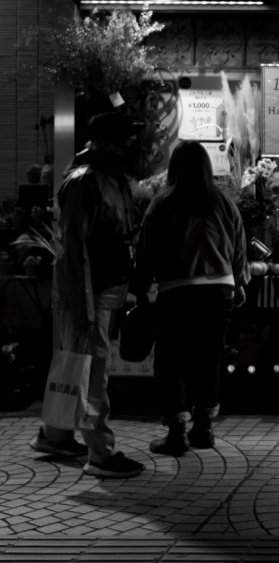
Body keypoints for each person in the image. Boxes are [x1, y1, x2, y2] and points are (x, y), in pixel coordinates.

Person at [30, 111, 146, 479]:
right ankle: (101, 453)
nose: (131, 143)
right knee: (92, 374)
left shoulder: (110, 179)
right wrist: (84, 308)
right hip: (88, 293)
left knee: (74, 366)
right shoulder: (85, 182)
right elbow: (74, 249)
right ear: (106, 143)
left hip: (99, 291)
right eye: (125, 138)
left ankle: (55, 435)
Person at [129, 140, 250, 456]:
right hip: (219, 290)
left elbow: (146, 250)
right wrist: (239, 282)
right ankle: (203, 428)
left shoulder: (163, 202)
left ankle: (176, 432)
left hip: (177, 290)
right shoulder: (223, 201)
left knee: (171, 362)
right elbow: (239, 245)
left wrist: (140, 288)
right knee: (208, 359)